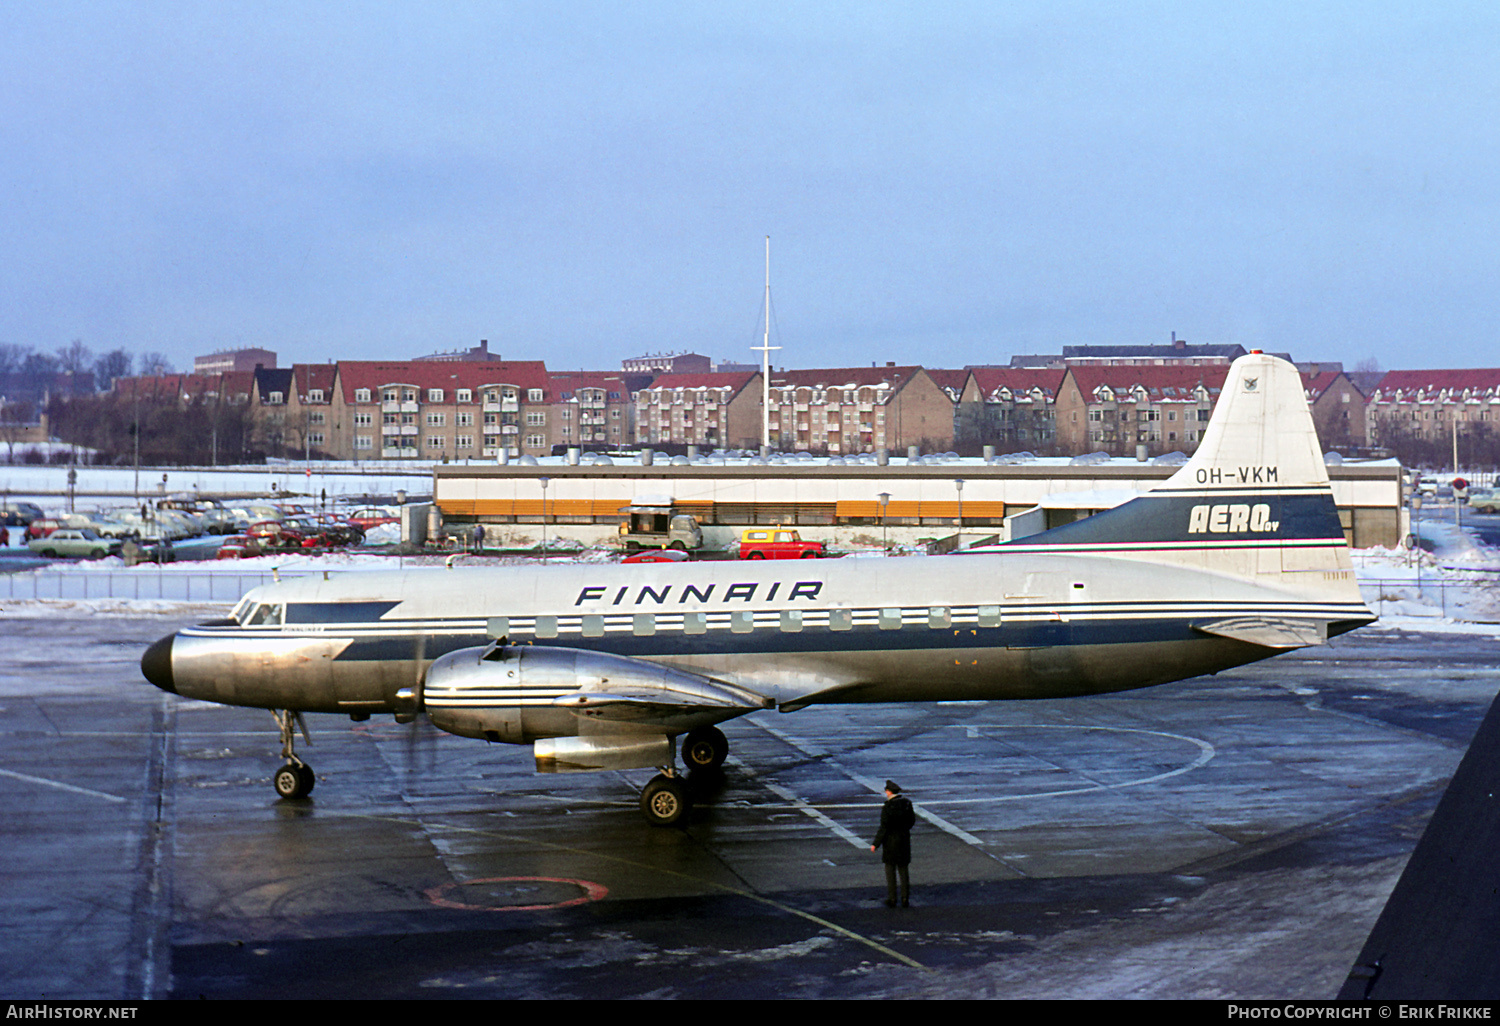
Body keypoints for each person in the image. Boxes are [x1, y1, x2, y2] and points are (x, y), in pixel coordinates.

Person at [871, 779, 915, 907]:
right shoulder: (907, 803)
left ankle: (892, 898)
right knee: (903, 870)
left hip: (890, 842)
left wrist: (875, 844)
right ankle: (905, 897)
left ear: (889, 792)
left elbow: (883, 827)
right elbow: (911, 821)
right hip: (904, 840)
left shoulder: (888, 807)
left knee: (890, 870)